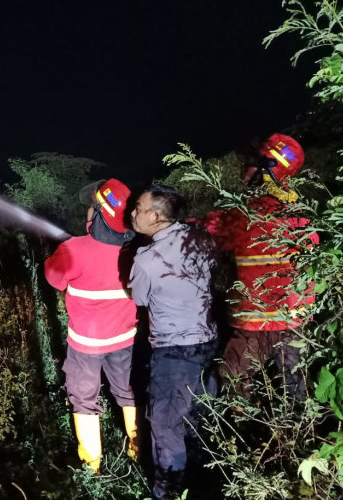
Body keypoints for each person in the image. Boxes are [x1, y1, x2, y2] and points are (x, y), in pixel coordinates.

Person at [201, 133, 319, 400]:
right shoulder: (299, 212)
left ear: (266, 169)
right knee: (296, 386)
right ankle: (298, 435)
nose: (244, 170)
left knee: (234, 376)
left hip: (254, 321)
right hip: (292, 321)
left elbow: (212, 232)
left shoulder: (244, 214)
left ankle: (244, 430)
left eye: (251, 164)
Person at [128, 185, 218, 499]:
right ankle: (208, 482)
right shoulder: (201, 237)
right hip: (207, 345)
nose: (133, 213)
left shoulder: (146, 258)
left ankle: (168, 491)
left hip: (172, 352)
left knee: (166, 427)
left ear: (155, 215)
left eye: (138, 207)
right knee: (201, 417)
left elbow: (139, 298)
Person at [44, 178, 140, 473]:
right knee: (127, 391)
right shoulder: (134, 252)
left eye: (92, 206)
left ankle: (92, 465)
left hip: (86, 345)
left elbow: (53, 278)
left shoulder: (75, 248)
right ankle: (138, 450)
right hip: (126, 338)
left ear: (98, 213)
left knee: (84, 399)